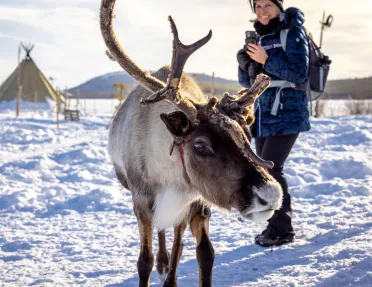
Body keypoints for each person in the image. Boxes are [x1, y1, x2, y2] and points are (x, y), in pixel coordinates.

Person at [237, 0, 310, 247]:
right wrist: (245, 64)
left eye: (268, 5)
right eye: (257, 6)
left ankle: (281, 230)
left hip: (288, 111)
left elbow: (300, 74)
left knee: (270, 169)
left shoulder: (293, 32)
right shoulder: (259, 36)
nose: (262, 11)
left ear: (279, 7)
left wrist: (266, 59)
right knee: (265, 169)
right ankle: (277, 226)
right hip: (263, 114)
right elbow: (249, 83)